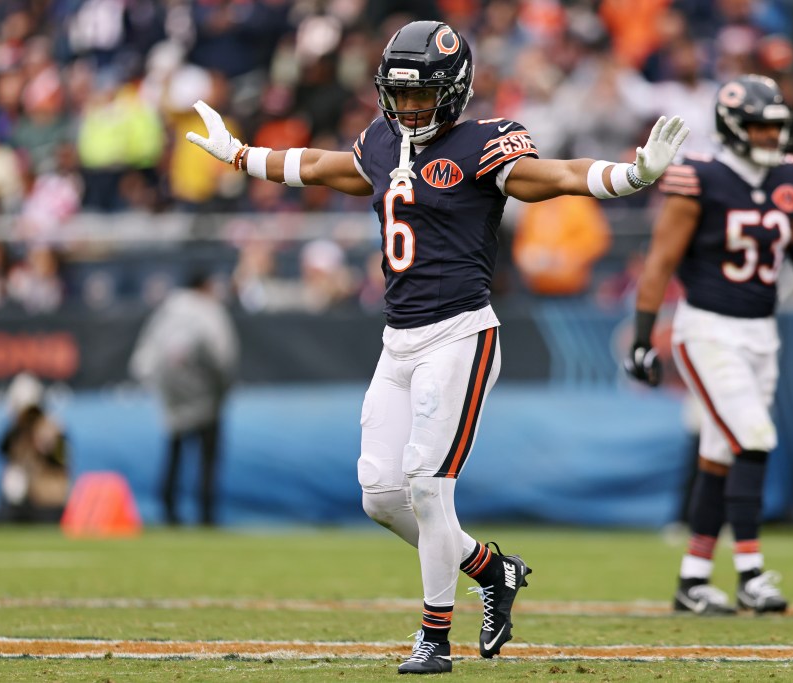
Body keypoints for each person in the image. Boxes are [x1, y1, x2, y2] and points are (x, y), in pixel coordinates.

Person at [186, 20, 688, 674]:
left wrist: (627, 177)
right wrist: (238, 154)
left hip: (461, 334)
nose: (410, 107)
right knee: (379, 493)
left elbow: (550, 176)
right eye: (401, 94)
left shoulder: (484, 142)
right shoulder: (381, 139)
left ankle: (433, 636)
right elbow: (319, 165)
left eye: (423, 94)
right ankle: (493, 568)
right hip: (398, 342)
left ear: (453, 91)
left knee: (427, 480)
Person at [624, 74, 793, 616]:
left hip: (761, 333)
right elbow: (662, 260)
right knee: (754, 437)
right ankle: (750, 573)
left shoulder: (792, 175)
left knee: (721, 453)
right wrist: (644, 338)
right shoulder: (700, 177)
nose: (771, 136)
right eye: (761, 127)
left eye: (776, 126)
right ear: (735, 128)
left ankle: (693, 580)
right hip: (708, 330)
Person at [129, 271, 239, 527]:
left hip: (172, 401)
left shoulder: (166, 313)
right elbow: (224, 357)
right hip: (207, 399)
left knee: (175, 455)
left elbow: (142, 361)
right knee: (207, 460)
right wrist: (223, 391)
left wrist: (159, 390)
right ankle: (206, 514)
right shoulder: (211, 313)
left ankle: (169, 510)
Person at [0, 373, 71, 523]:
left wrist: (50, 446)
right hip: (23, 502)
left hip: (48, 502)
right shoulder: (18, 432)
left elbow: (61, 462)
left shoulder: (53, 429)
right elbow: (1, 449)